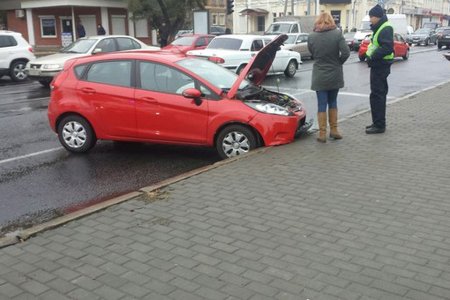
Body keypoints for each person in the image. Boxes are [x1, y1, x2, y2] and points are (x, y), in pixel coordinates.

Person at [307, 12, 350, 143]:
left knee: (321, 103)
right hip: (334, 73)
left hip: (319, 74)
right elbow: (346, 52)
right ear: (331, 21)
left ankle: (322, 133)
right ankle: (334, 130)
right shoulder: (337, 33)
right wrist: (338, 63)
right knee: (333, 102)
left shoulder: (312, 36)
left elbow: (312, 52)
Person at [365, 4, 394, 134]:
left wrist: (372, 57)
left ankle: (379, 125)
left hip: (380, 65)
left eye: (371, 17)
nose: (370, 20)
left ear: (377, 17)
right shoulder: (381, 27)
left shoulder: (385, 28)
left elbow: (387, 48)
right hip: (379, 65)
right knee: (377, 95)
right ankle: (377, 122)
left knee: (378, 95)